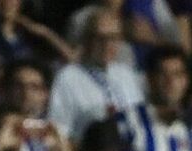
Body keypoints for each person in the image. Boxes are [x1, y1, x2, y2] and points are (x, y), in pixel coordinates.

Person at [48, 9, 145, 141]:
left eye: (114, 37)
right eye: (100, 38)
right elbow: (59, 129)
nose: (107, 44)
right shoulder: (68, 77)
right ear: (87, 41)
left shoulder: (127, 75)